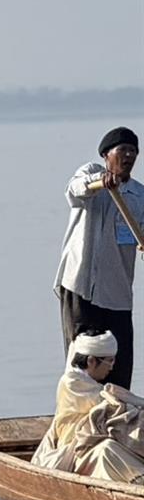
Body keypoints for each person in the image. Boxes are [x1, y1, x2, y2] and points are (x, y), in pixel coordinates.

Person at [55, 126, 142, 390]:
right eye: (122, 150)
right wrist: (99, 183)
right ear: (107, 155)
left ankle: (118, 416)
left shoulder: (139, 195)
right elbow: (74, 191)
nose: (128, 156)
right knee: (83, 359)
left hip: (117, 293)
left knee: (119, 360)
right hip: (82, 287)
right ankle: (77, 416)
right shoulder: (90, 174)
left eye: (133, 151)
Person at [34, 331, 144, 482]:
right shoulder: (72, 383)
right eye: (109, 361)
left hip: (90, 443)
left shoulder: (91, 384)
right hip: (76, 450)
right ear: (91, 361)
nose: (111, 367)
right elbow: (103, 405)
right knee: (107, 449)